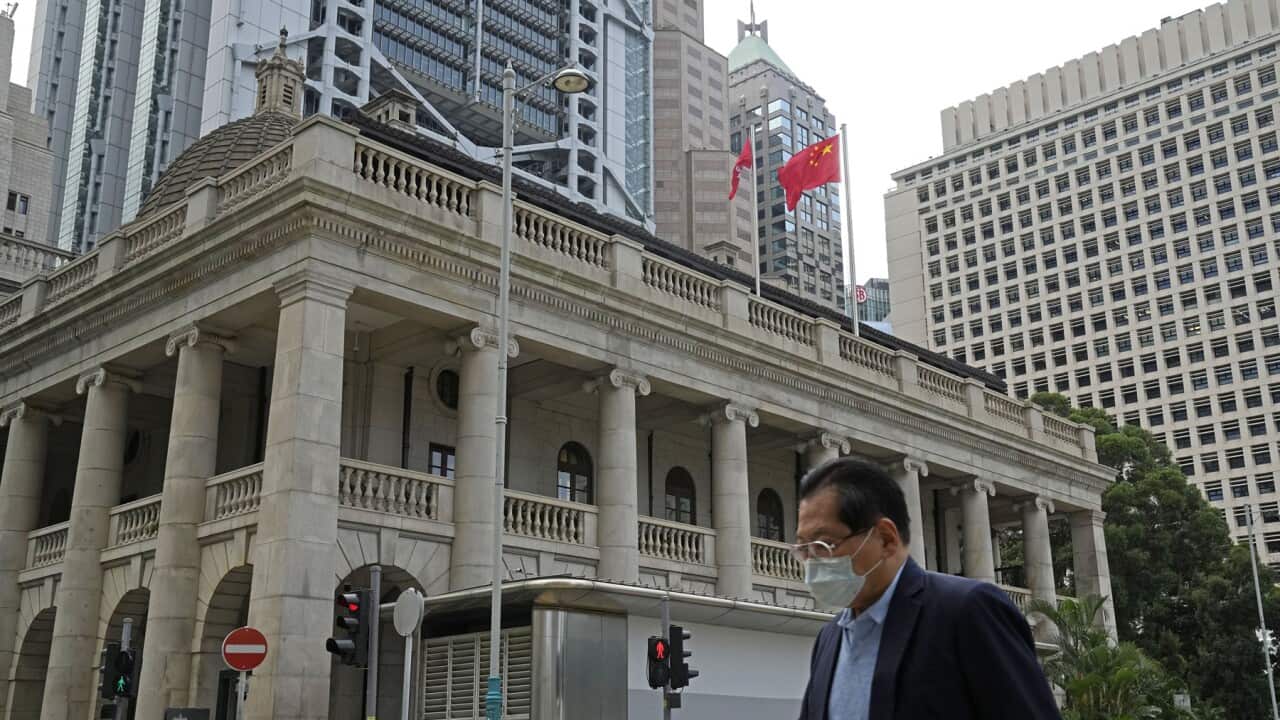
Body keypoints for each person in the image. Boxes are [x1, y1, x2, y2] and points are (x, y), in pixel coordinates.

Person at [794, 457, 1062, 720]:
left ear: (886, 538)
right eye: (804, 548)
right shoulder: (830, 637)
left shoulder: (966, 611)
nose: (811, 562)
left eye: (824, 544)